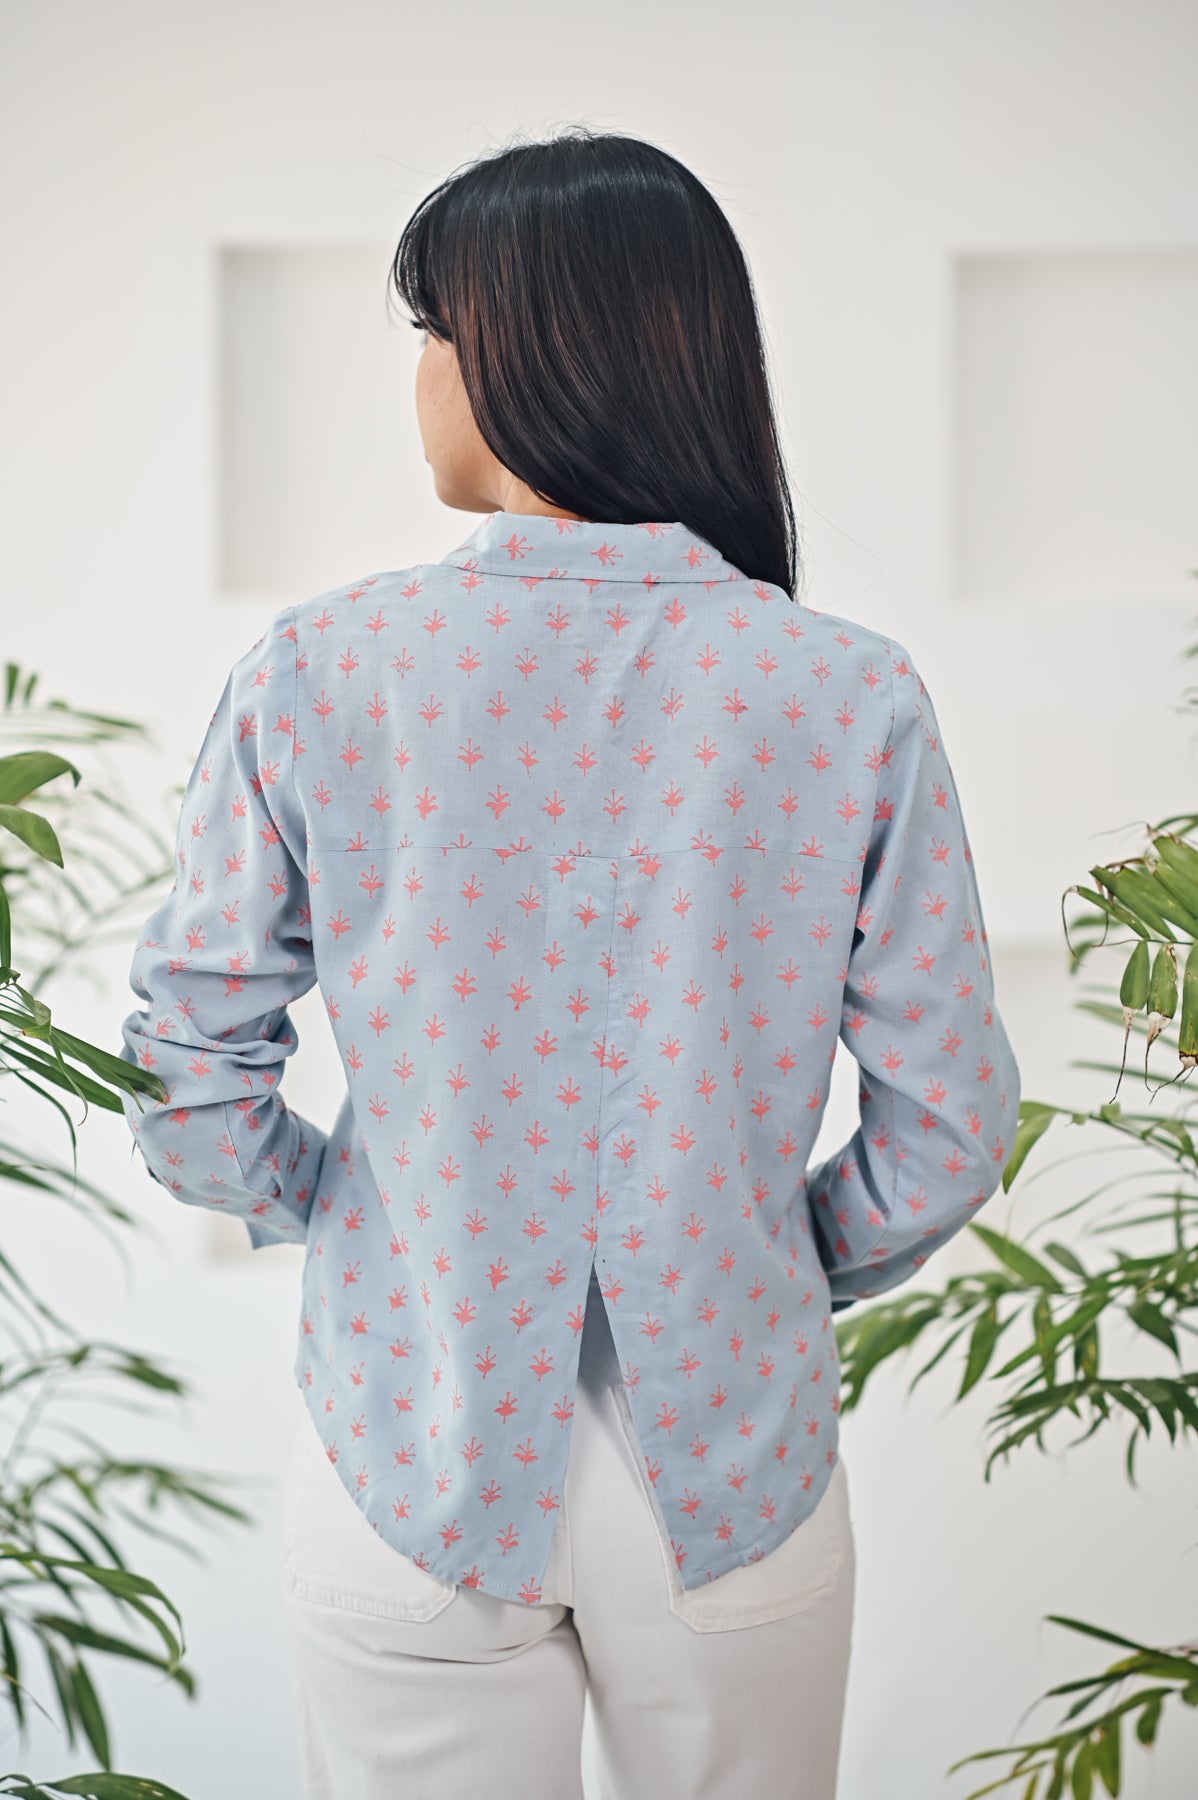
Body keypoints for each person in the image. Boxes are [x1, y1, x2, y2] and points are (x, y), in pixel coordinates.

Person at [118, 125, 1021, 1799]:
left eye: (431, 332)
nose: (419, 378)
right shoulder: (846, 693)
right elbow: (950, 1123)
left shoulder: (324, 671)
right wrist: (763, 1258)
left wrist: (360, 1224)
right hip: (728, 1469)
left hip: (409, 1439)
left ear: (526, 355)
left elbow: (186, 1077)